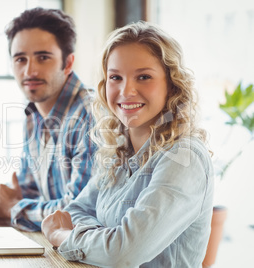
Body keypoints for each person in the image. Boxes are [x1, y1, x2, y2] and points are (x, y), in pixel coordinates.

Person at [41, 21, 214, 267]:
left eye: (144, 77)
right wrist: (108, 240)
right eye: (115, 77)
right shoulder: (117, 154)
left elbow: (123, 253)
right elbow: (73, 212)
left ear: (172, 84)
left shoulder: (184, 157)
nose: (126, 90)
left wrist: (64, 236)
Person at [0, 7, 96, 232]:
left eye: (43, 58)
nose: (30, 71)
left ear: (68, 63)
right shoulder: (34, 114)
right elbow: (27, 189)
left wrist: (12, 208)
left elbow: (79, 213)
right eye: (20, 59)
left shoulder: (90, 114)